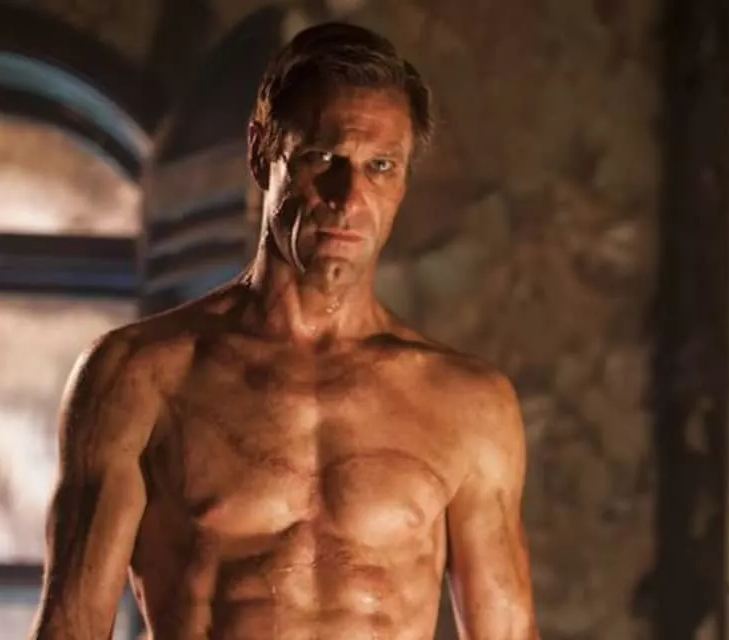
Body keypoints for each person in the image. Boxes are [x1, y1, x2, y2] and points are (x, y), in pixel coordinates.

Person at [29, 22, 537, 640]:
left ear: (404, 180)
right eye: (322, 158)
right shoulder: (138, 375)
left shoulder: (470, 405)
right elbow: (71, 627)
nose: (348, 197)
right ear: (260, 152)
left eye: (380, 166)